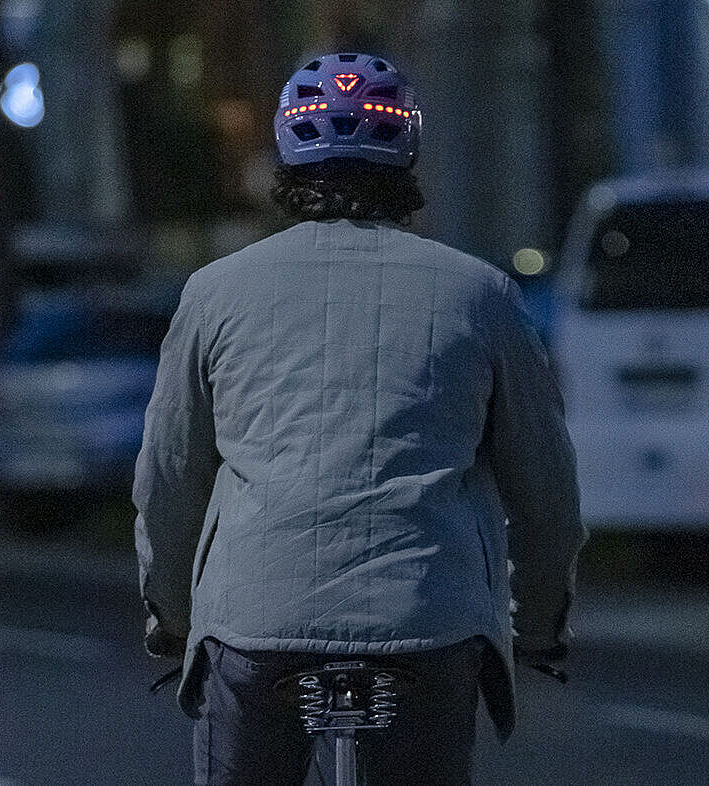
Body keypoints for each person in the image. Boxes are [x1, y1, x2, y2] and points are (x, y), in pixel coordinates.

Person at [133, 52, 586, 786]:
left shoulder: (214, 294)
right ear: (407, 152)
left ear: (284, 151)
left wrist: (173, 617)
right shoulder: (481, 296)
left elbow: (169, 478)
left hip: (256, 617)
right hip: (426, 619)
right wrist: (537, 625)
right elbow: (545, 494)